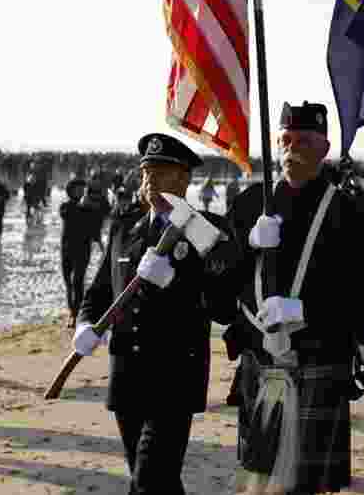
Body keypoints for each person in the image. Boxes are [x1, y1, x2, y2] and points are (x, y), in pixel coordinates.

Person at [221, 101, 364, 494]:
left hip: (319, 355)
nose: (293, 150)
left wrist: (307, 308)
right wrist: (247, 244)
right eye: (285, 141)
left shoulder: (347, 210)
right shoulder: (249, 204)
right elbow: (221, 285)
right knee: (259, 481)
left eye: (305, 142)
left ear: (324, 149)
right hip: (261, 360)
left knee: (306, 486)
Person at [73, 133, 237, 494]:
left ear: (183, 180)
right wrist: (85, 325)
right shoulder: (124, 226)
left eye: (160, 173)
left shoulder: (206, 230)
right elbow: (100, 291)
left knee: (147, 480)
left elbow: (225, 303)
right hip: (128, 373)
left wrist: (175, 283)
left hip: (175, 375)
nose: (148, 181)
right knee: (157, 480)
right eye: (145, 172)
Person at [59, 178, 98, 328]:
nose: (80, 191)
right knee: (68, 283)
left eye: (82, 189)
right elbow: (66, 215)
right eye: (77, 189)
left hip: (83, 251)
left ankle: (76, 315)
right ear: (71, 190)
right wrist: (81, 206)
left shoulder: (91, 208)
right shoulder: (65, 206)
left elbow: (96, 226)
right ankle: (72, 310)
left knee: (78, 282)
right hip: (66, 250)